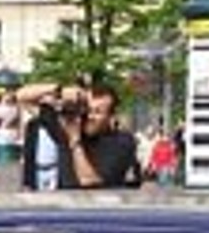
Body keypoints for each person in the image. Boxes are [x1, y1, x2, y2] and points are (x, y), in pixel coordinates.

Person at [13, 81, 142, 189]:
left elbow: (89, 182)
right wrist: (59, 90)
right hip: (66, 207)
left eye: (97, 112)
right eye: (88, 109)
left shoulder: (122, 142)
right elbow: (21, 97)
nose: (89, 116)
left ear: (111, 116)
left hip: (100, 208)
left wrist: (75, 142)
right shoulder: (69, 127)